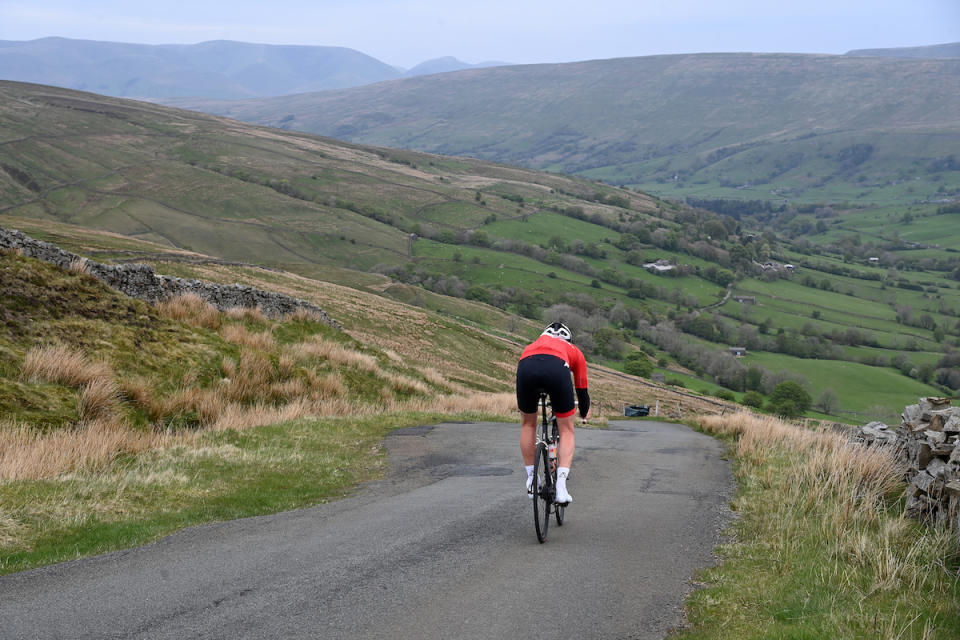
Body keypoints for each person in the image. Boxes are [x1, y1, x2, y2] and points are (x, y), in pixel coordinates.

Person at [516, 322, 590, 504]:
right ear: (568, 339)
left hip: (526, 366)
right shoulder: (573, 350)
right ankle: (561, 487)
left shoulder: (531, 346)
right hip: (557, 369)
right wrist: (584, 412)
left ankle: (532, 478)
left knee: (528, 424)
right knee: (566, 430)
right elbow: (582, 389)